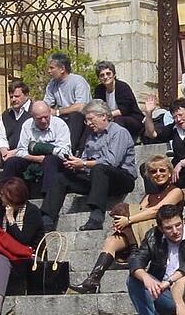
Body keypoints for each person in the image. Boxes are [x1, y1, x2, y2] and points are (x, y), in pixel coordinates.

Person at [69, 155, 184, 294]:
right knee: (111, 241)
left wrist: (128, 221)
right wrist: (126, 221)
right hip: (143, 233)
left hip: (164, 233)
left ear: (170, 172)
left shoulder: (176, 191)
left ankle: (133, 250)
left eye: (162, 170)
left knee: (124, 209)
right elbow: (137, 211)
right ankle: (93, 280)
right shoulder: (149, 196)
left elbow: (156, 211)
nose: (158, 174)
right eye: (154, 172)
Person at [40, 99, 137, 232]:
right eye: (86, 120)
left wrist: (84, 163)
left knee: (100, 168)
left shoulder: (119, 132)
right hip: (97, 179)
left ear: (103, 116)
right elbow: (86, 160)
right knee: (60, 178)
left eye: (91, 119)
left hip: (121, 178)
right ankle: (47, 219)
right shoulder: (91, 137)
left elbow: (111, 162)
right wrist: (76, 164)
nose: (89, 124)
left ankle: (96, 216)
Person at [0, 177, 44, 315]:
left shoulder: (32, 212)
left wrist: (11, 220)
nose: (1, 199)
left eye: (4, 196)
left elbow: (23, 240)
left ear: (13, 197)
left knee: (2, 256)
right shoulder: (2, 210)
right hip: (7, 256)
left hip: (27, 257)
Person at [0, 101, 72, 196]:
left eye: (46, 117)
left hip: (55, 162)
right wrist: (37, 158)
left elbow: (64, 152)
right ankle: (4, 196)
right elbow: (21, 150)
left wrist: (43, 149)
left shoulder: (60, 125)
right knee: (12, 162)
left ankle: (48, 196)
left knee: (50, 160)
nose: (43, 121)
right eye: (39, 118)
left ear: (50, 112)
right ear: (33, 117)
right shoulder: (27, 125)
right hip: (33, 159)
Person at [44, 52, 91, 154]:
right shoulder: (51, 85)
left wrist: (57, 112)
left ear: (62, 69)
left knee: (75, 115)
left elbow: (81, 106)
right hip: (62, 117)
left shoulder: (78, 81)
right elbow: (46, 104)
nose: (49, 71)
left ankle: (70, 150)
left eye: (52, 68)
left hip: (80, 119)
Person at [92, 61, 145, 140]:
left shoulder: (122, 87)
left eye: (108, 73)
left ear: (114, 74)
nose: (106, 77)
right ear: (99, 78)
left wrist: (106, 116)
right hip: (108, 119)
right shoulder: (99, 90)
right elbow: (97, 108)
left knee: (118, 120)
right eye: (102, 75)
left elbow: (125, 110)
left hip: (131, 119)